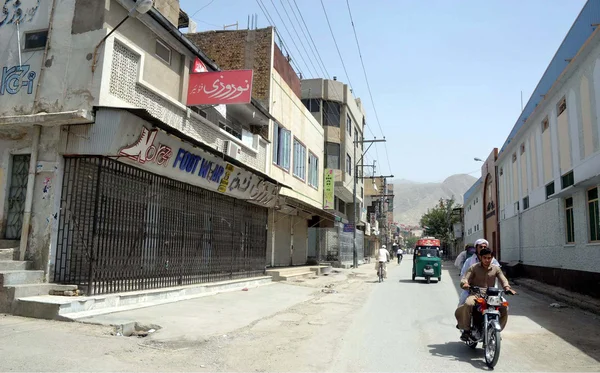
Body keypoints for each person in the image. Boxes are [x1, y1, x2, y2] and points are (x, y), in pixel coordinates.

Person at [454, 247, 517, 341]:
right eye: (485, 258)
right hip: (476, 294)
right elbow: (465, 278)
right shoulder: (474, 267)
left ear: (492, 258)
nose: (487, 260)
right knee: (468, 304)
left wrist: (507, 288)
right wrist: (465, 283)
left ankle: (496, 331)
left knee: (504, 307)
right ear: (480, 257)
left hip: (491, 295)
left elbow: (503, 279)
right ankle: (466, 331)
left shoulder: (496, 269)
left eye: (489, 258)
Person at [458, 239, 501, 305]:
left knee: (502, 305)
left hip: (490, 290)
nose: (483, 248)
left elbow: (499, 273)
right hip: (473, 290)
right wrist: (465, 283)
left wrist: (506, 287)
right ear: (476, 248)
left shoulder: (493, 261)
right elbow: (464, 274)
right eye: (480, 247)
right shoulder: (469, 261)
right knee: (464, 303)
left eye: (484, 247)